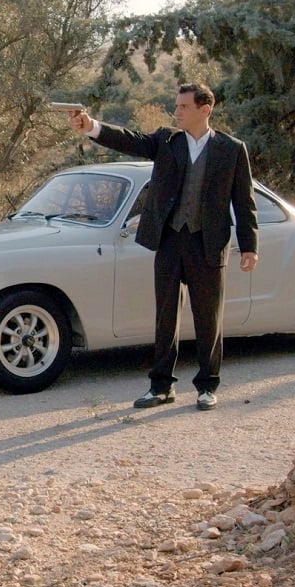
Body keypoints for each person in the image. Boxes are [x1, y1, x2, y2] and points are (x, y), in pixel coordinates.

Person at [67, 83, 258, 411]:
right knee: (165, 316)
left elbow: (244, 202)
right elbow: (130, 140)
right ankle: (161, 386)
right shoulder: (167, 140)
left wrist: (250, 245)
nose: (176, 111)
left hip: (209, 243)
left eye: (183, 107)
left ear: (205, 110)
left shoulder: (231, 149)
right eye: (177, 105)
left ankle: (207, 386)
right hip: (170, 239)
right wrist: (91, 126)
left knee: (209, 317)